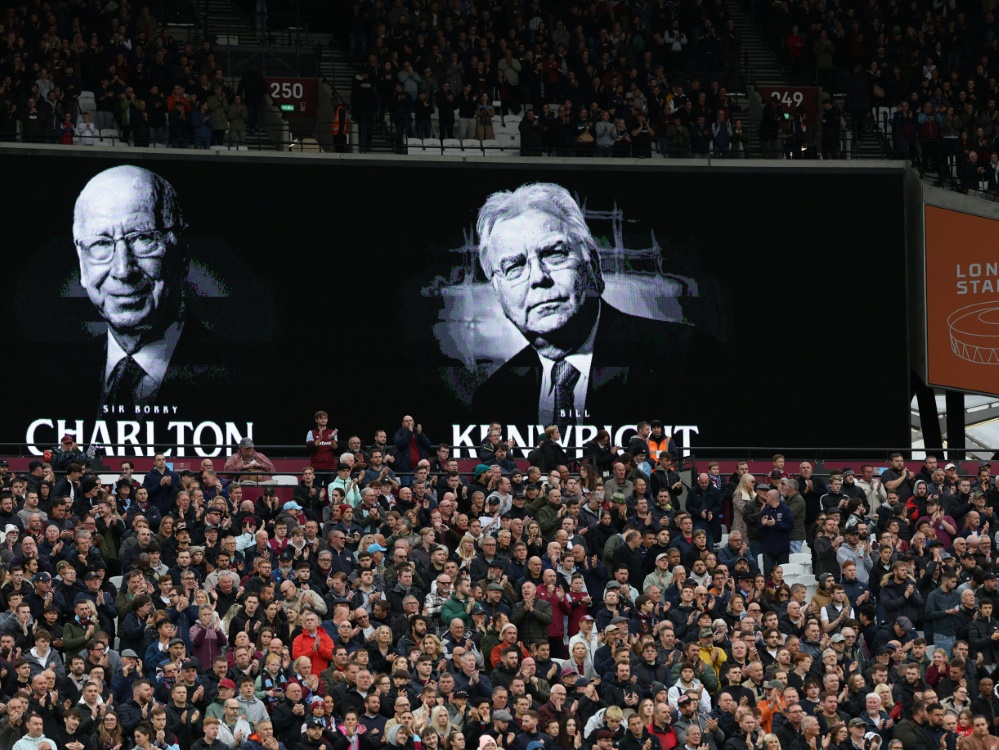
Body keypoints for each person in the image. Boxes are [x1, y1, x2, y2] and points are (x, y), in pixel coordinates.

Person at [468, 182, 704, 430]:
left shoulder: (685, 358)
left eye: (554, 253)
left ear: (593, 264)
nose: (538, 278)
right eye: (514, 267)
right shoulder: (492, 400)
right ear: (498, 292)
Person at [71, 165, 238, 415]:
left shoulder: (246, 378)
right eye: (101, 243)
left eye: (143, 238)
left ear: (181, 255)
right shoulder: (47, 376)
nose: (123, 269)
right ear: (83, 265)